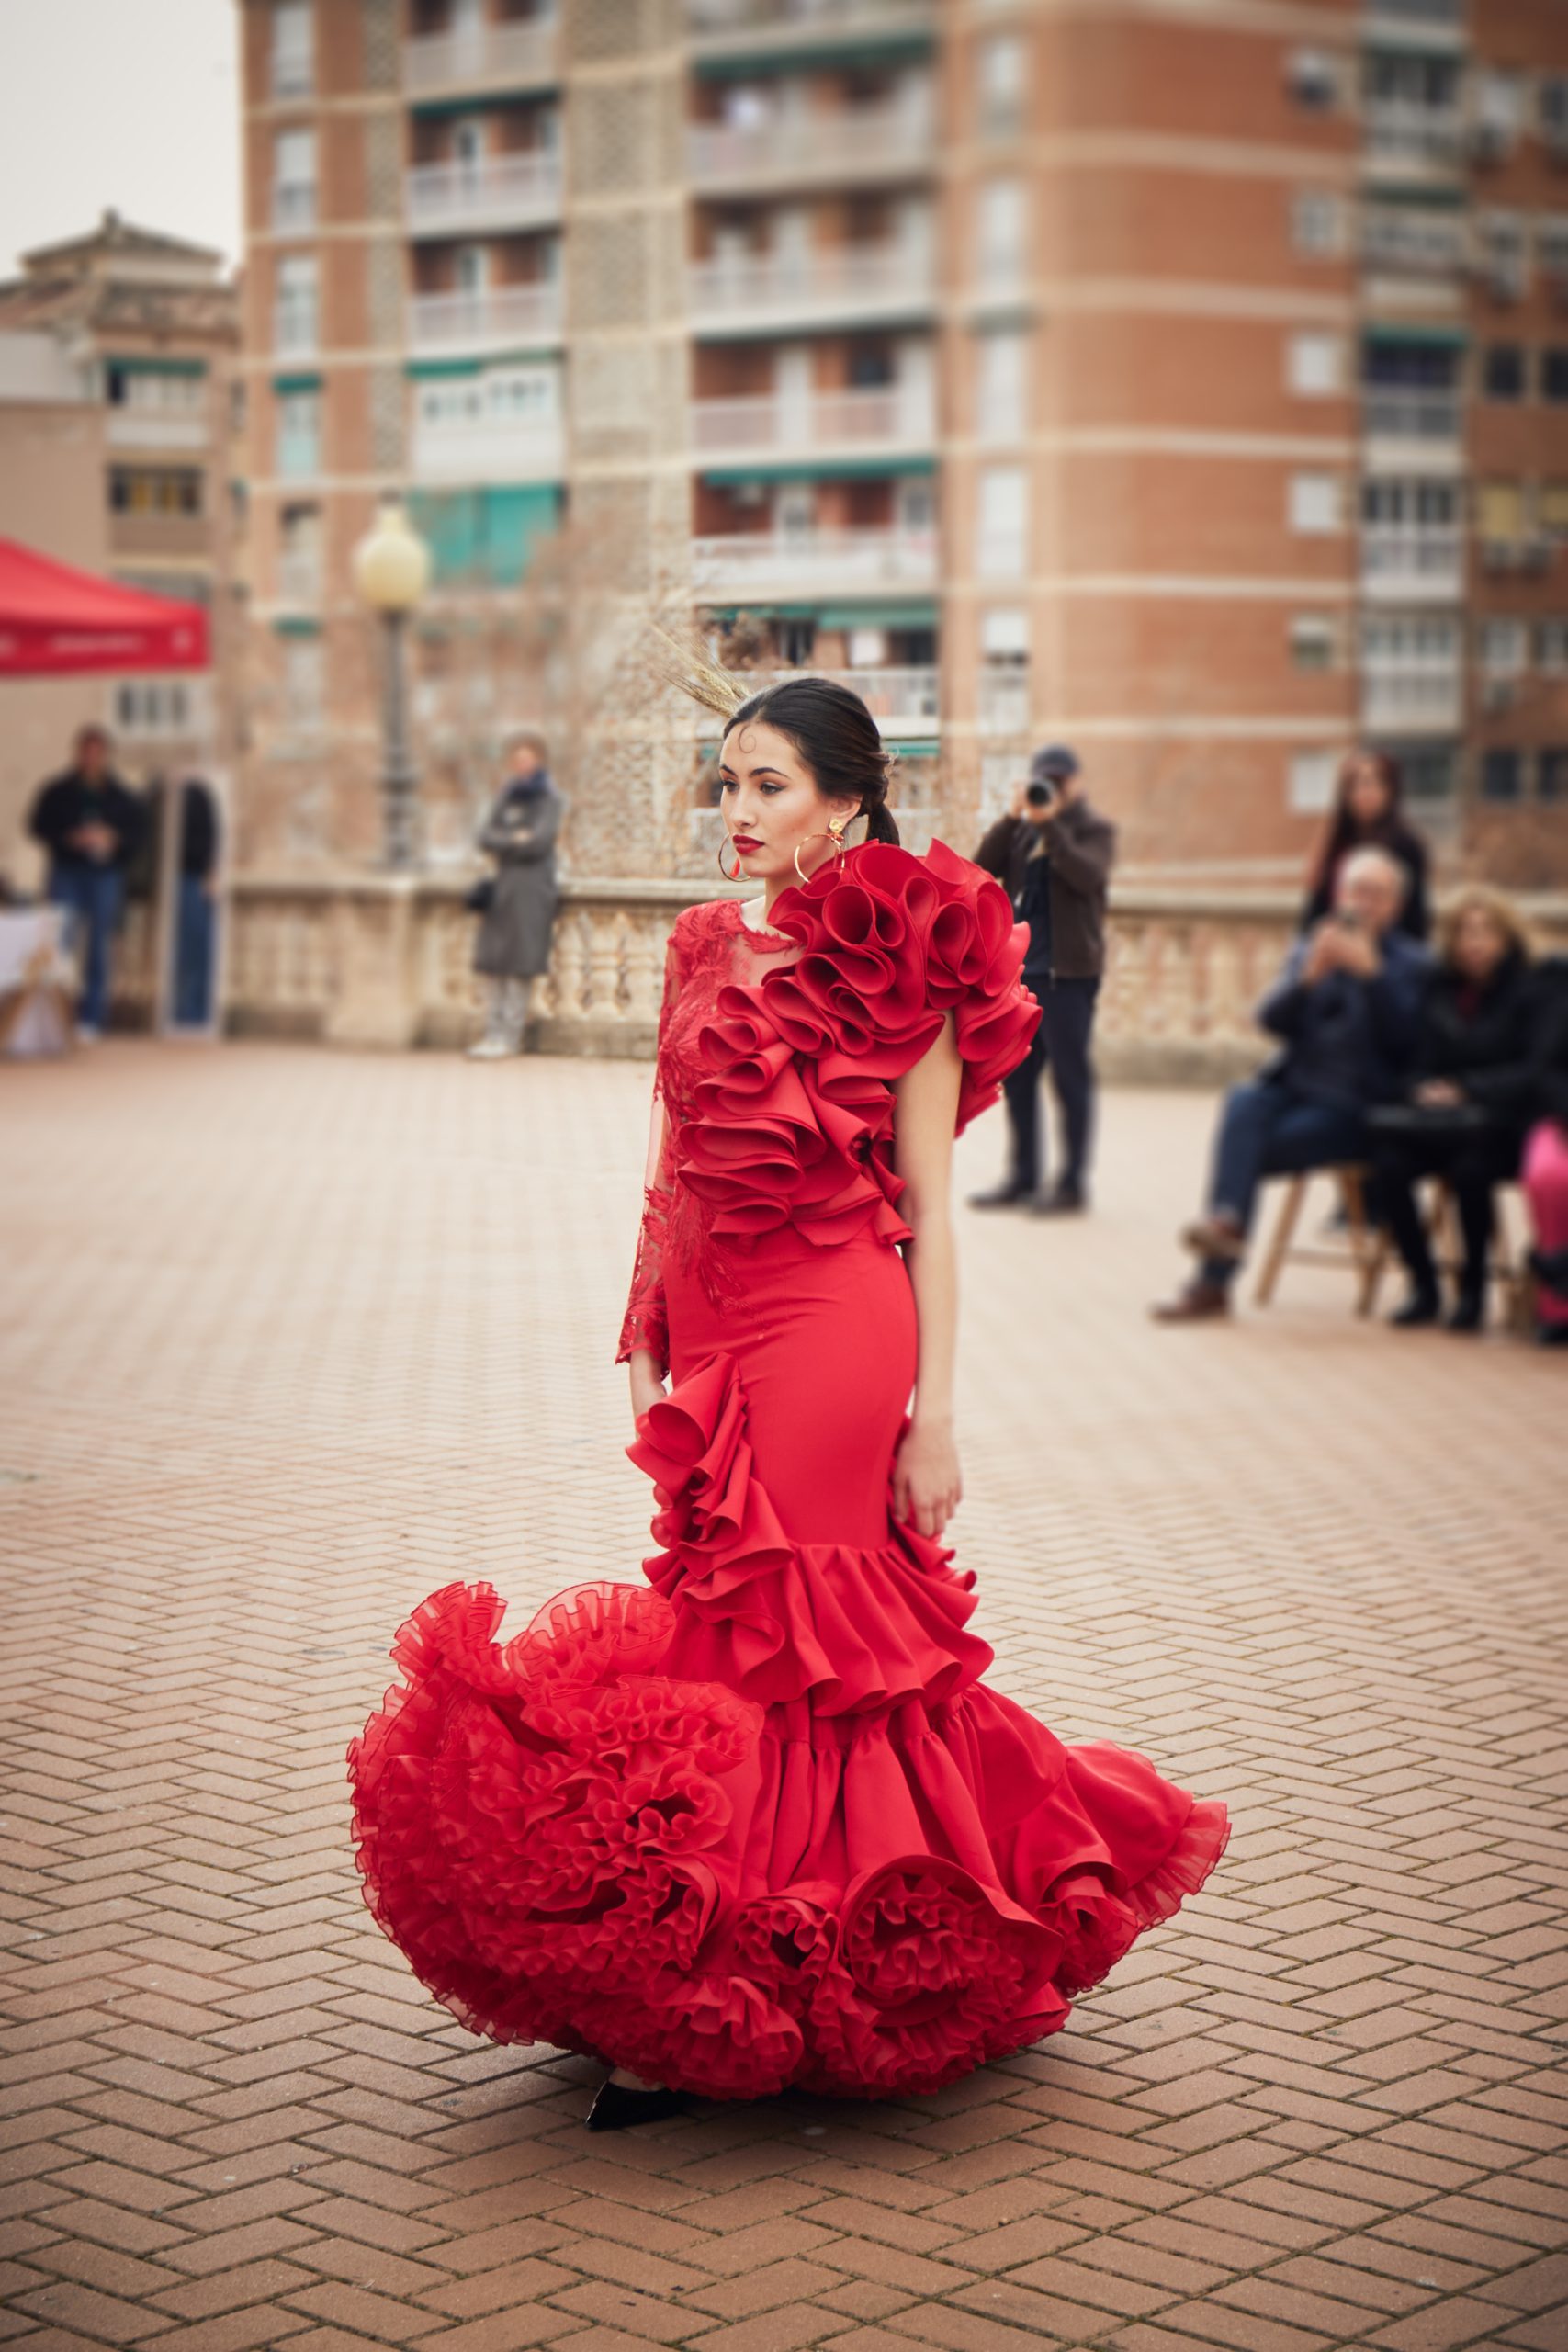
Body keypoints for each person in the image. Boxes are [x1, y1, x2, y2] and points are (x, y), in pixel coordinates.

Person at [350, 674, 1230, 2128]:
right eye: (725, 782)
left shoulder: (915, 948)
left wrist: (934, 1412)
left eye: (765, 784)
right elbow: (668, 1158)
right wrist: (638, 1313)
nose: (735, 811)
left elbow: (933, 1214)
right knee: (713, 1608)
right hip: (711, 1316)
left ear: (845, 797)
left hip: (836, 1317)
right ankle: (710, 1955)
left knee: (807, 1632)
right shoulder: (699, 942)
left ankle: (768, 1969)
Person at [1154, 846, 1427, 1323]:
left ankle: (1212, 1279)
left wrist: (1372, 976)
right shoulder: (1314, 945)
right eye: (1356, 890)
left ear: (1395, 905)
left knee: (1244, 1151)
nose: (1363, 903)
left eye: (1376, 895)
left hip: (1356, 1106)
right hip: (1295, 1088)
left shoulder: (1413, 964)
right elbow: (1269, 1020)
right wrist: (1307, 978)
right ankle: (1227, 1230)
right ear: (1340, 894)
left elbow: (1410, 1043)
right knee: (1243, 1099)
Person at [1371, 888, 1537, 1334]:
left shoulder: (1530, 989)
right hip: (1441, 1121)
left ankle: (1473, 1290)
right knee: (1388, 1165)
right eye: (1464, 932)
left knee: (1471, 1171)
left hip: (1500, 1125)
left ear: (1506, 936)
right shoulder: (1437, 988)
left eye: (1486, 932)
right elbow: (1417, 1059)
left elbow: (1535, 1071)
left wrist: (1466, 1088)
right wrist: (1424, 1090)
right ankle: (1423, 1285)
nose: (1475, 943)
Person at [969, 744, 1116, 1214]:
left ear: (1075, 784)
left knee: (1071, 1079)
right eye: (1042, 780)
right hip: (1021, 973)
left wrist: (1051, 822)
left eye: (1057, 780)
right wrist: (1014, 818)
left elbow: (1087, 875)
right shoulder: (1025, 830)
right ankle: (1024, 1177)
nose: (1049, 788)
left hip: (1068, 975)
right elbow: (982, 867)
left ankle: (1072, 1185)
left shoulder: (1093, 830)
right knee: (1020, 1080)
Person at [27, 725, 145, 1040]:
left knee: (99, 947)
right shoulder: (58, 790)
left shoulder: (123, 796)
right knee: (59, 944)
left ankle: (92, 1017)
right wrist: (70, 838)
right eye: (86, 752)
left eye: (97, 753)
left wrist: (113, 840)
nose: (91, 759)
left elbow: (138, 836)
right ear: (78, 753)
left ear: (105, 756)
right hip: (67, 871)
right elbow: (37, 825)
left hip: (104, 875)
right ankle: (56, 1015)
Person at [468, 732, 562, 1060]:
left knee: (520, 964)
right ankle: (491, 1034)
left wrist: (508, 840)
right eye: (517, 758)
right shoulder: (507, 797)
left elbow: (538, 843)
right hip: (502, 888)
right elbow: (484, 836)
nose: (522, 763)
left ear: (537, 760)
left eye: (528, 758)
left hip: (532, 891)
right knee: (495, 963)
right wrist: (515, 838)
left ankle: (508, 1037)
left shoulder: (548, 798)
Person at [1303, 749, 1430, 944]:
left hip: (1390, 951)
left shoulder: (1406, 845)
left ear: (1390, 790)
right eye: (1356, 785)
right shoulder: (1336, 842)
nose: (1364, 793)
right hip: (1337, 945)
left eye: (1373, 784)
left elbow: (1415, 915)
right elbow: (1316, 909)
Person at [1522, 965, 1568, 1347]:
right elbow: (1545, 1070)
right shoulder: (1559, 984)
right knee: (1549, 1175)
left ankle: (1561, 1267)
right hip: (1560, 1117)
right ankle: (1556, 1308)